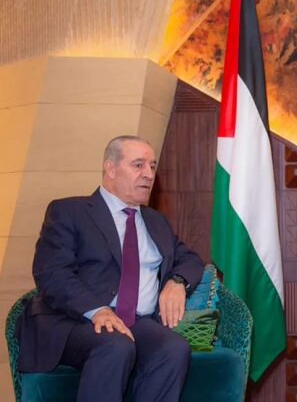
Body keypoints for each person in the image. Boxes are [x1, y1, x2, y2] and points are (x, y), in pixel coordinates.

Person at [16, 135, 204, 402]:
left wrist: (177, 281)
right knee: (116, 345)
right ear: (111, 169)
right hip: (76, 320)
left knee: (173, 348)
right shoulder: (69, 212)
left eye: (152, 166)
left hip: (137, 321)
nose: (148, 174)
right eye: (138, 165)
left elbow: (191, 259)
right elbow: (52, 273)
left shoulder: (156, 221)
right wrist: (97, 310)